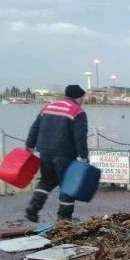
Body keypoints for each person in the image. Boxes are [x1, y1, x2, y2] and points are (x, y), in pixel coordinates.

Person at [24, 85, 89, 223]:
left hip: (45, 151)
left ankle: (33, 208)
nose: (83, 100)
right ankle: (64, 218)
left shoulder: (48, 107)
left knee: (46, 181)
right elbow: (80, 137)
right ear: (78, 97)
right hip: (65, 153)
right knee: (67, 185)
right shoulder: (78, 112)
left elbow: (35, 127)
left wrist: (29, 145)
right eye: (82, 98)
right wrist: (84, 156)